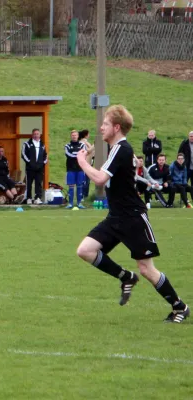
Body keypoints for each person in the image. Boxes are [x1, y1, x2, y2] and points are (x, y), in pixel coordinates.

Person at [76, 104, 189, 323]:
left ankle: (180, 307)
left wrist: (82, 162)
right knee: (85, 250)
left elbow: (100, 179)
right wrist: (88, 160)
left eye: (105, 124)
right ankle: (126, 276)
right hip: (116, 217)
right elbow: (104, 176)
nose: (101, 128)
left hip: (133, 219)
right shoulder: (115, 149)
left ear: (116, 127)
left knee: (146, 269)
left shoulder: (122, 148)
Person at [21, 129, 48, 204]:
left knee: (38, 183)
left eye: (37, 134)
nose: (36, 135)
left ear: (40, 135)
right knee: (29, 183)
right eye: (34, 134)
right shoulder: (27, 144)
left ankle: (38, 198)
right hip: (30, 168)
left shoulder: (42, 144)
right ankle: (28, 198)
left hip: (39, 168)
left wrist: (43, 163)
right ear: (32, 135)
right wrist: (29, 162)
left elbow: (45, 155)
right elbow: (23, 154)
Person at [64, 130, 86, 209]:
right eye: (72, 135)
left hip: (80, 168)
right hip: (70, 168)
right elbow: (68, 155)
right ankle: (70, 203)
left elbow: (83, 153)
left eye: (75, 135)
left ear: (78, 136)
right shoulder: (67, 146)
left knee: (80, 186)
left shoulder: (82, 145)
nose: (74, 136)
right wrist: (78, 155)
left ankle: (79, 203)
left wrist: (76, 154)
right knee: (71, 186)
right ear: (71, 136)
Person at [78, 129, 94, 199]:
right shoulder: (83, 143)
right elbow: (88, 151)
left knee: (87, 180)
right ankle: (83, 195)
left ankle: (85, 195)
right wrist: (94, 145)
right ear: (86, 135)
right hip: (85, 163)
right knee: (85, 180)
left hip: (89, 163)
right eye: (88, 134)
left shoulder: (85, 142)